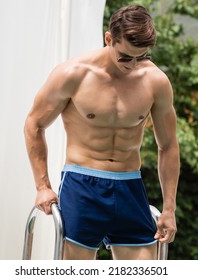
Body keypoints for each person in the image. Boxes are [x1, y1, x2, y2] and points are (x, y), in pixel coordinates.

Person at [24, 4, 180, 260]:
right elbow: (34, 124)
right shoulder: (73, 74)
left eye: (140, 57)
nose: (132, 65)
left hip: (130, 186)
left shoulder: (155, 81)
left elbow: (168, 145)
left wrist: (169, 209)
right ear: (109, 39)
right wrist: (43, 186)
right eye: (125, 57)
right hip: (82, 186)